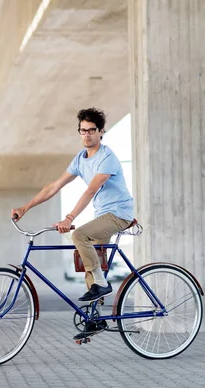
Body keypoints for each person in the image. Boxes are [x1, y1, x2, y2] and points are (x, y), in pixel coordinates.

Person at [11, 108, 135, 328]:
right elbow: (54, 187)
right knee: (91, 262)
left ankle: (102, 286)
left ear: (101, 132)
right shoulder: (80, 159)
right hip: (102, 215)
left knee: (79, 235)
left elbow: (91, 191)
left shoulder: (107, 158)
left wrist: (68, 218)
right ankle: (95, 319)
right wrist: (25, 207)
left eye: (91, 130)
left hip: (119, 214)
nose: (86, 135)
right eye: (82, 130)